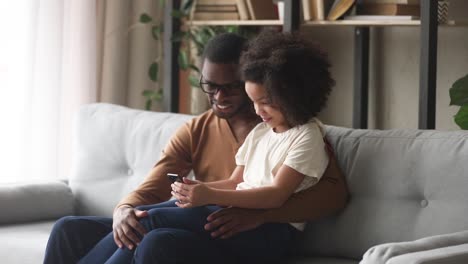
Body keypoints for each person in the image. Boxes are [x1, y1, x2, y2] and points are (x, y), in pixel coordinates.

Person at [44, 31, 348, 264]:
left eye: (229, 87)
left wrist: (259, 215)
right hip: (211, 219)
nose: (218, 96)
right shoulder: (227, 131)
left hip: (252, 231)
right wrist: (125, 210)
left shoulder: (304, 135)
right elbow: (159, 182)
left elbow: (330, 195)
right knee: (69, 228)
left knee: (153, 231)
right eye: (209, 86)